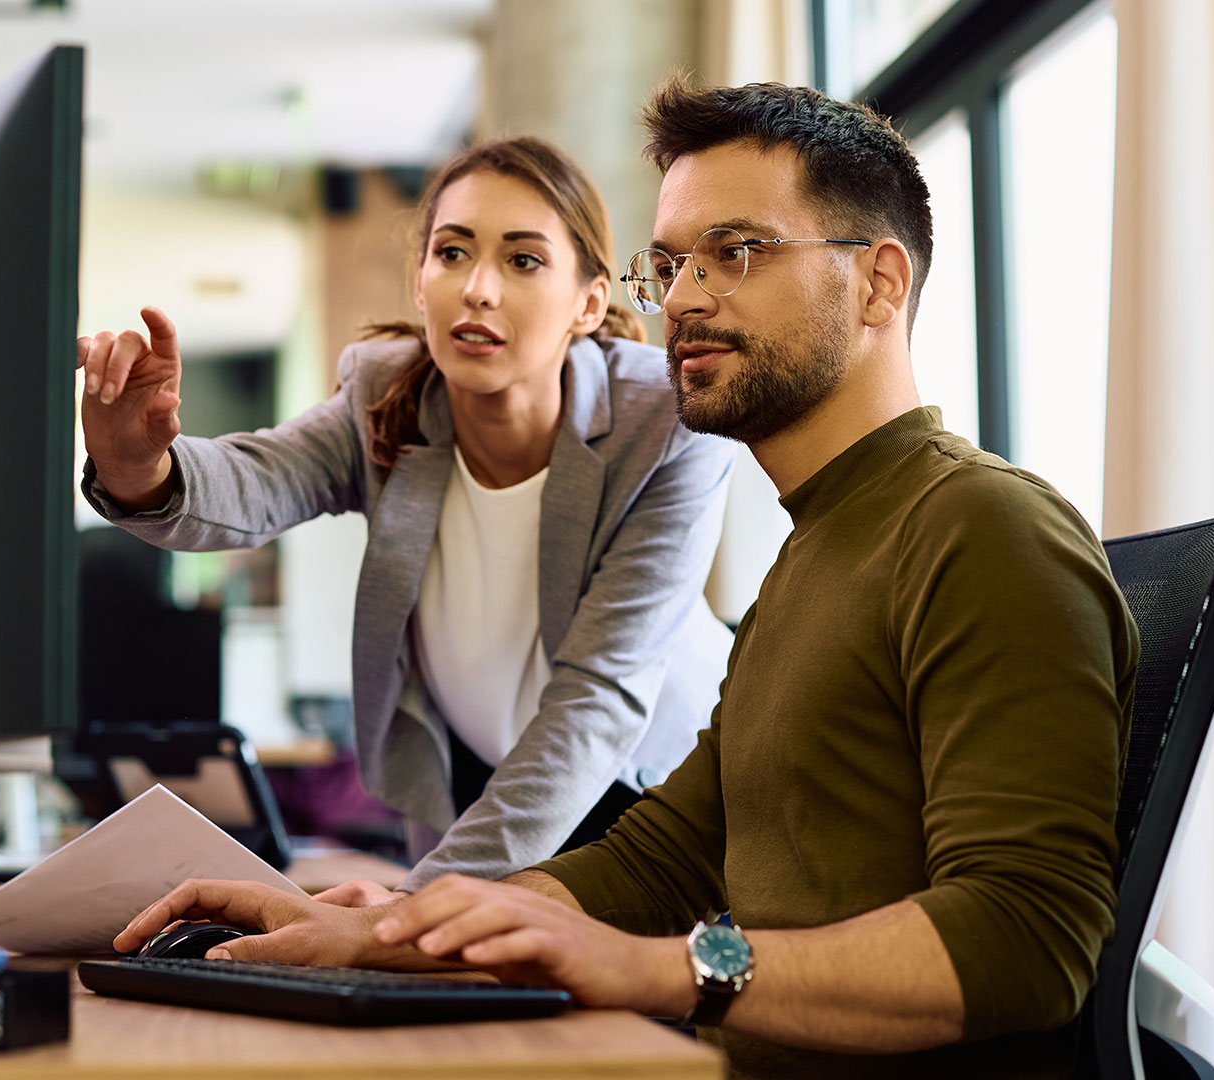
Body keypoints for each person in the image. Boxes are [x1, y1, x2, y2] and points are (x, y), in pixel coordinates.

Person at [115, 79, 1138, 1079]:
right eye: (674, 263)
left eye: (735, 253)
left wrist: (668, 968)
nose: (685, 297)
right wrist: (402, 926)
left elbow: (1027, 941)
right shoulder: (809, 558)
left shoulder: (981, 525)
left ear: (879, 283)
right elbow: (664, 858)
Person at [77, 136, 735, 893]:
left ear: (588, 303)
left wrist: (413, 906)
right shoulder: (386, 397)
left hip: (653, 800)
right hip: (478, 795)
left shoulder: (664, 423)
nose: (477, 288)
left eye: (523, 261)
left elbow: (599, 699)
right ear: (421, 284)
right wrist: (140, 467)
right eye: (451, 253)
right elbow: (259, 479)